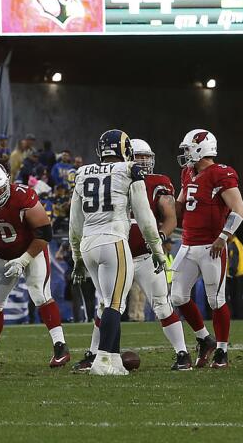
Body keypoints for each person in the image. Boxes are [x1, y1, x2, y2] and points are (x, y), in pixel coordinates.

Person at [74, 137, 187, 371]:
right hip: (118, 248)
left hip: (134, 254)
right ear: (127, 154)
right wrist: (158, 248)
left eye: (146, 157)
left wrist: (76, 255)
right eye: (138, 157)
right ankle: (99, 356)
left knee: (160, 305)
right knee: (108, 306)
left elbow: (168, 218)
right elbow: (145, 220)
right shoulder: (127, 172)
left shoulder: (86, 172)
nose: (142, 162)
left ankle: (182, 353)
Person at [0, 160, 68, 369]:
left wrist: (23, 260)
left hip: (31, 251)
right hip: (1, 255)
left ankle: (60, 347)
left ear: (7, 182)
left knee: (39, 294)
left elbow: (45, 233)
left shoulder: (22, 196)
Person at [171, 128, 243, 368]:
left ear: (201, 149)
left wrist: (223, 237)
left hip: (211, 245)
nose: (185, 154)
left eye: (188, 149)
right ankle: (205, 339)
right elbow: (180, 204)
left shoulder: (221, 173)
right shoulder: (187, 172)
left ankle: (222, 350)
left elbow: (239, 210)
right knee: (178, 296)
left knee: (216, 300)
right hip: (187, 243)